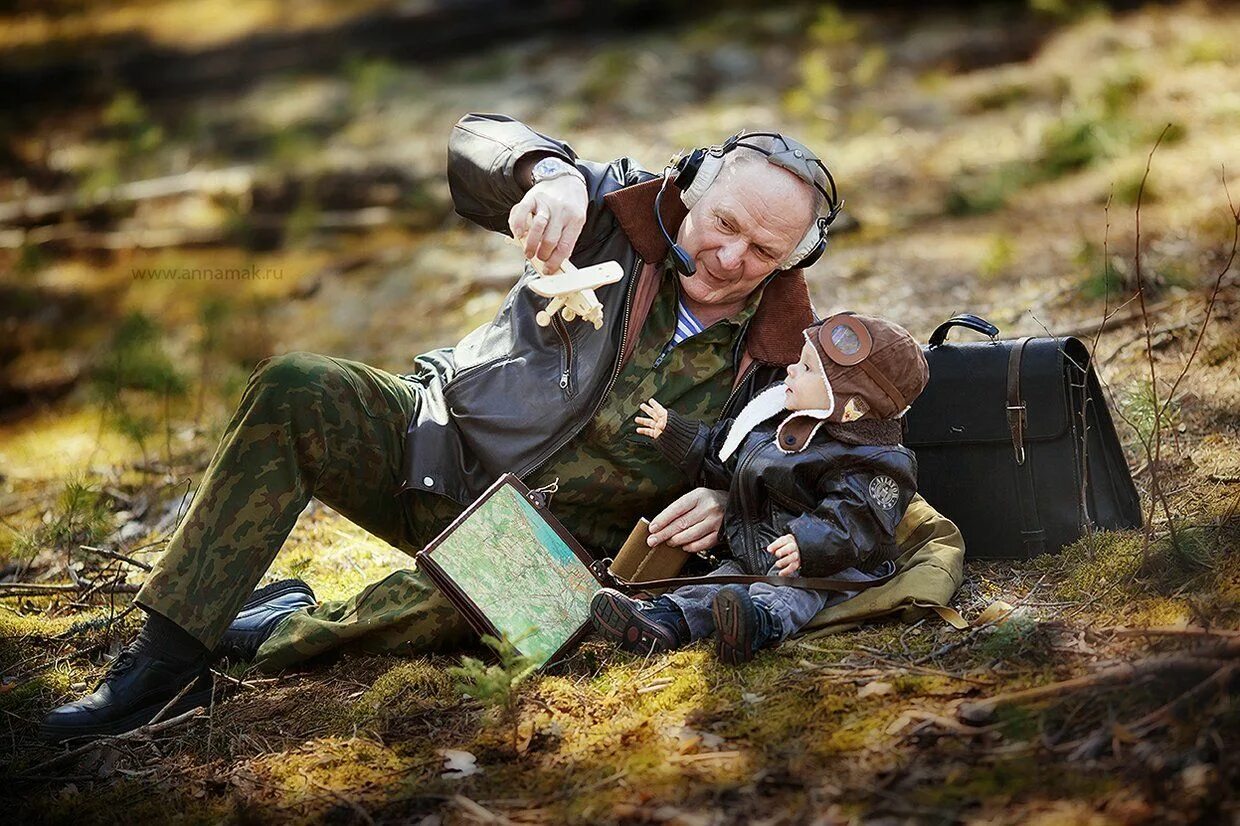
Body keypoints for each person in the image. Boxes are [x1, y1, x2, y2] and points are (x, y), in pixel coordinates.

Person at [40, 114, 957, 742]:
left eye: (765, 250)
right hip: (438, 452)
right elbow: (479, 142)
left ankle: (272, 628)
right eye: (723, 226)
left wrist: (728, 494)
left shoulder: (791, 356)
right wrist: (544, 176)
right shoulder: (612, 213)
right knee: (298, 386)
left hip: (553, 546)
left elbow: (821, 479)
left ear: (799, 253)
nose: (730, 258)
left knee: (483, 608)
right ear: (692, 187)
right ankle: (163, 665)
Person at [590, 313, 929, 664]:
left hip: (825, 563)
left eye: (808, 369)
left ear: (851, 406)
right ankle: (665, 620)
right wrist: (677, 434)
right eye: (800, 361)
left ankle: (759, 624)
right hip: (759, 547)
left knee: (792, 591)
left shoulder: (877, 460)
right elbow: (729, 454)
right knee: (718, 582)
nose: (792, 370)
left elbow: (857, 517)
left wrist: (807, 542)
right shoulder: (782, 421)